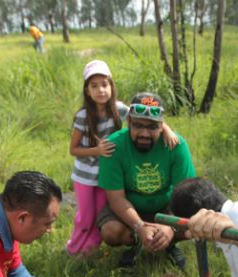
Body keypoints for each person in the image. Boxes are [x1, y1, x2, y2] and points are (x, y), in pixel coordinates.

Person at [66, 61, 180, 256]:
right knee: (85, 216)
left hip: (106, 172)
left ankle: (91, 248)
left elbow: (146, 115)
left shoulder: (118, 109)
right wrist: (97, 150)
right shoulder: (84, 115)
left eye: (104, 84)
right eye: (94, 86)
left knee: (101, 212)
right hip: (86, 175)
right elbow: (73, 149)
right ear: (86, 90)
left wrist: (166, 129)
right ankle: (74, 247)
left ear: (112, 86)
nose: (100, 90)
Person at [97, 92, 196, 269]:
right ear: (128, 123)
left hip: (167, 206)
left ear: (161, 126)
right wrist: (140, 226)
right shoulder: (113, 146)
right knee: (111, 232)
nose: (144, 133)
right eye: (138, 125)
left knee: (193, 227)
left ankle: (169, 243)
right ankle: (137, 243)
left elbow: (186, 194)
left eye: (152, 127)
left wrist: (170, 226)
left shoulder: (176, 145)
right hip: (130, 207)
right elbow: (116, 198)